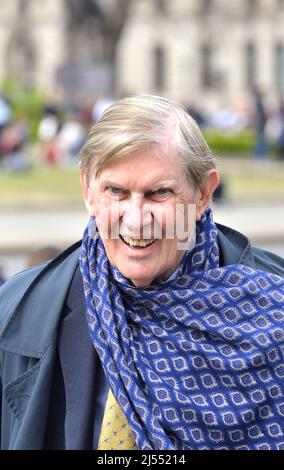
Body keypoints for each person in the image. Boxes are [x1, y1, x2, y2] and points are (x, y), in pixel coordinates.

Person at [0, 95, 283, 451]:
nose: (135, 219)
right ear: (88, 191)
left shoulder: (274, 306)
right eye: (116, 191)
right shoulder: (17, 310)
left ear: (203, 194)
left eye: (159, 193)